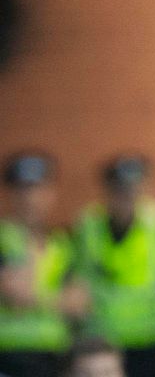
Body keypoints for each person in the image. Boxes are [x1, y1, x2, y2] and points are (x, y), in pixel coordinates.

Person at [74, 155, 155, 377]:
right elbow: (75, 284)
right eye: (120, 189)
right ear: (107, 190)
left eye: (135, 187)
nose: (128, 195)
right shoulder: (87, 226)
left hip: (154, 343)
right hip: (103, 347)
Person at [0, 152, 88, 377]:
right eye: (23, 190)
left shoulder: (63, 242)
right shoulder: (4, 239)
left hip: (55, 357)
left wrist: (35, 297)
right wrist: (59, 300)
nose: (31, 198)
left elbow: (80, 304)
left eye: (39, 188)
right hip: (9, 357)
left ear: (52, 193)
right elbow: (16, 295)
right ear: (9, 194)